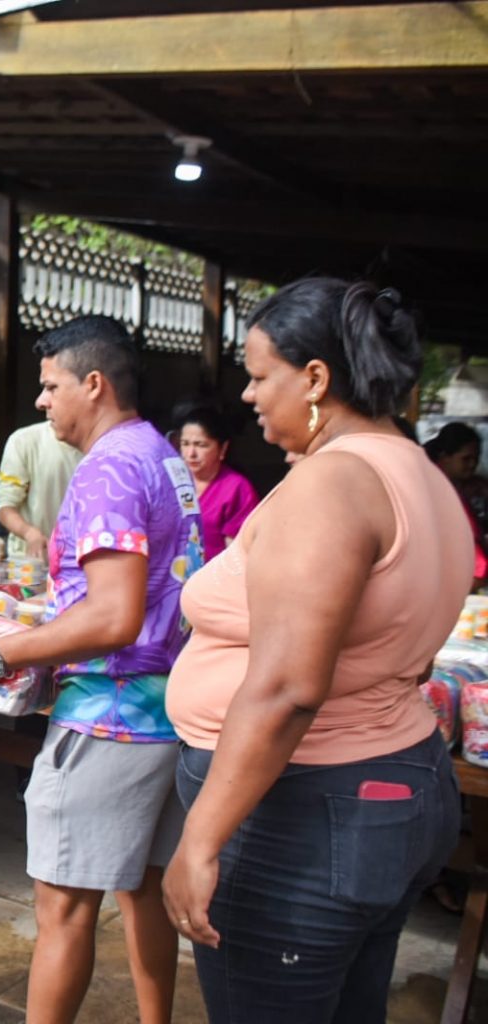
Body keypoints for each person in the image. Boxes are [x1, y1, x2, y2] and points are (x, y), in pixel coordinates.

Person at [163, 279, 471, 1024]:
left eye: (259, 374)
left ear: (315, 378)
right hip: (389, 784)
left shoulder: (331, 485)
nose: (248, 393)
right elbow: (402, 651)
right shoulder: (423, 478)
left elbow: (287, 687)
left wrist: (200, 839)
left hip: (305, 811)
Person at [0, 315, 202, 1024]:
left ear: (94, 383)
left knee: (64, 908)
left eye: (51, 386)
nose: (42, 401)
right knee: (143, 888)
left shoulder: (110, 466)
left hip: (110, 717)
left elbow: (113, 617)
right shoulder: (160, 454)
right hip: (169, 711)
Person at [176, 404, 258, 561]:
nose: (191, 453)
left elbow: (237, 555)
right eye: (185, 444)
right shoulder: (172, 481)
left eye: (201, 445)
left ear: (223, 448)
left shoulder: (236, 488)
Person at [0, 419, 83, 559]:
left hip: (82, 559)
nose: (43, 407)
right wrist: (30, 533)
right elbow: (5, 508)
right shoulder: (23, 440)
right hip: (31, 562)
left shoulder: (105, 445)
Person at [424, 421, 488, 586]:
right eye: (466, 459)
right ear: (444, 457)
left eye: (475, 459)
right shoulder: (436, 488)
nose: (472, 465)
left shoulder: (472, 487)